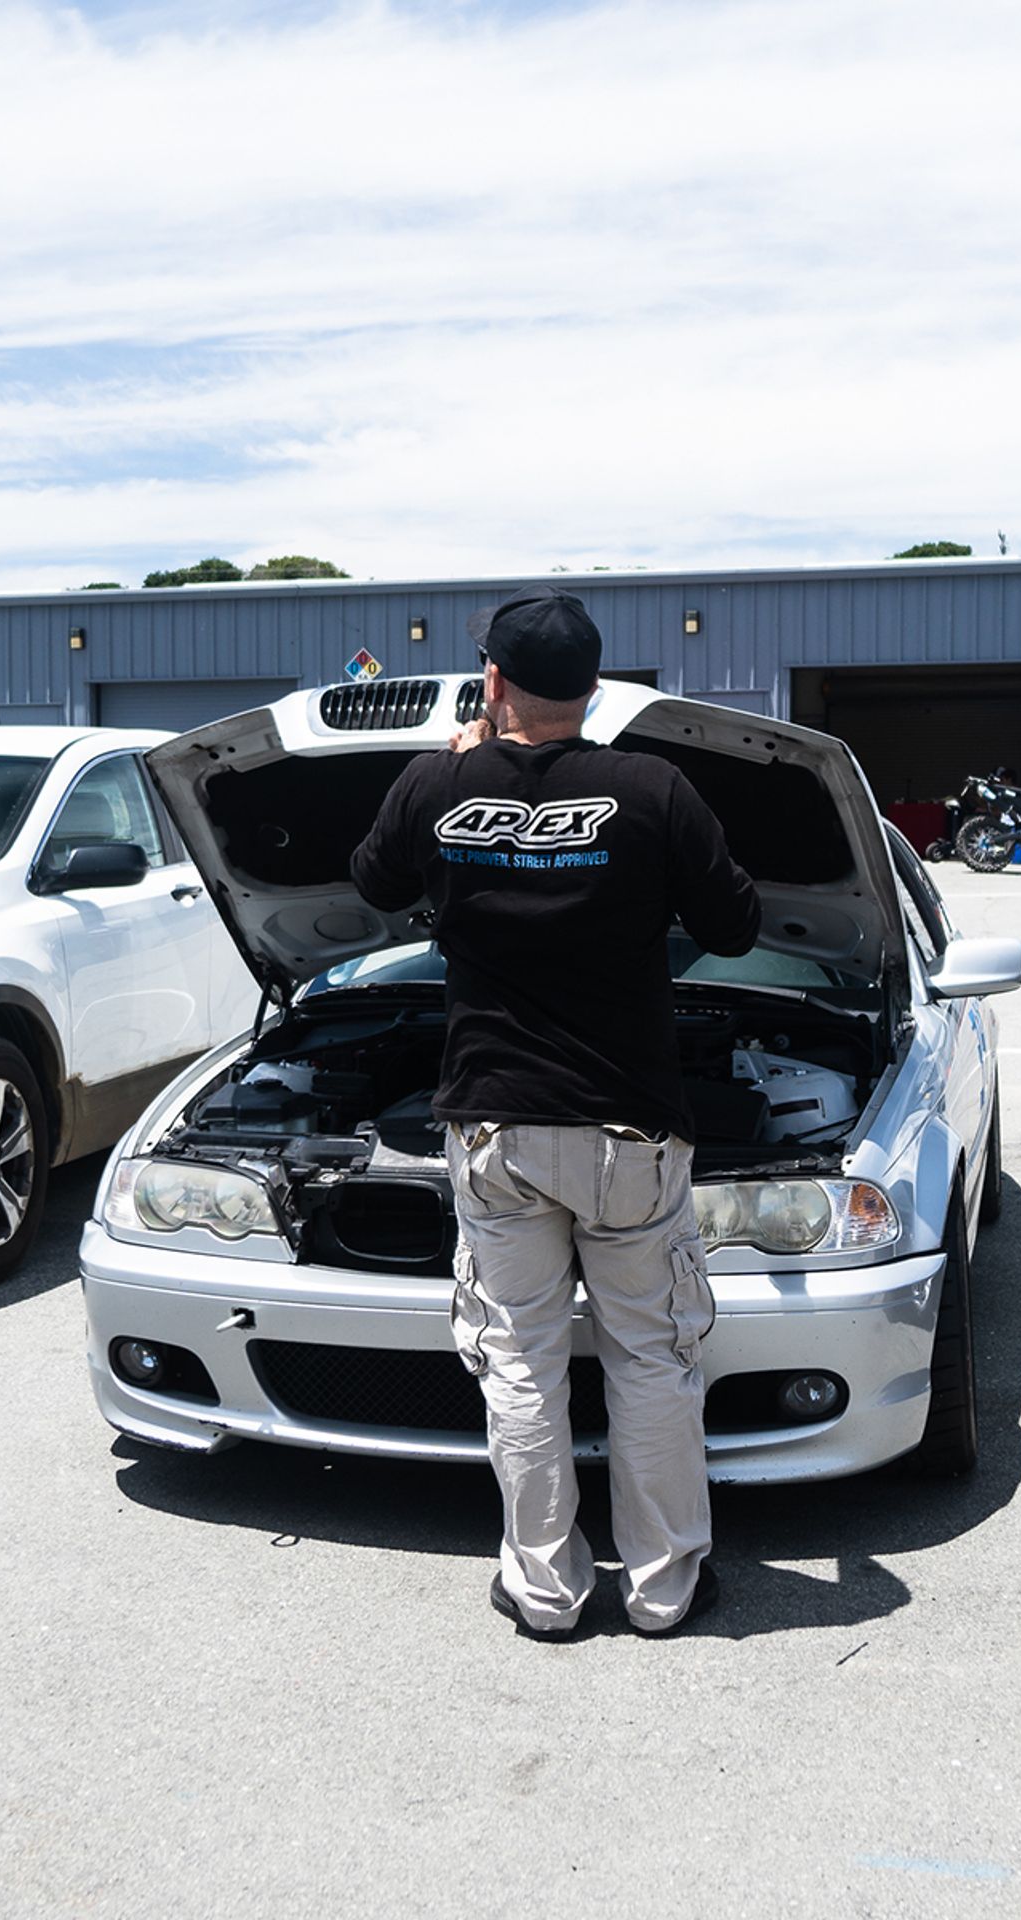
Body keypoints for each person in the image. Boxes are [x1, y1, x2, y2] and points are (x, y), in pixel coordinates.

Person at [350, 589, 762, 1640]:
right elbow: (737, 920)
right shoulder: (653, 786)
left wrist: (461, 774)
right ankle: (665, 1590)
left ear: (492, 680)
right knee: (650, 1359)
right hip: (630, 1126)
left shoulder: (437, 781)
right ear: (593, 684)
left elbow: (370, 883)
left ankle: (546, 1593)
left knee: (522, 1365)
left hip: (496, 1128)